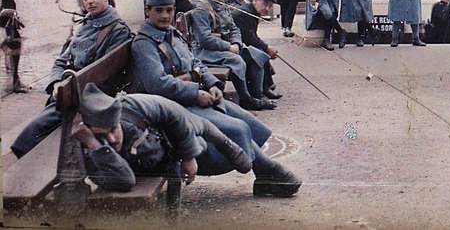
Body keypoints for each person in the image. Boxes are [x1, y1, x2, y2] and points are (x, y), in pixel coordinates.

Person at [127, 0, 300, 196]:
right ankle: (268, 172)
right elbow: (158, 84)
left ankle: (266, 172)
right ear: (147, 11)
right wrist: (194, 93)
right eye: (158, 10)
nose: (165, 16)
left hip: (187, 97)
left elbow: (195, 61)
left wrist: (211, 84)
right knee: (236, 128)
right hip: (169, 106)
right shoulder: (144, 44)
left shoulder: (171, 33)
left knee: (243, 117)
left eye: (169, 10)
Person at [74, 82, 300, 197]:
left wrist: (188, 156)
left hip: (169, 131)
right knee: (219, 132)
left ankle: (227, 144)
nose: (112, 138)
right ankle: (265, 169)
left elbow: (173, 111)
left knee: (216, 125)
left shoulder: (131, 108)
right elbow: (124, 182)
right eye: (102, 135)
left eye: (113, 129)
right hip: (160, 152)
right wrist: (96, 146)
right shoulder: (91, 147)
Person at [11, 0, 131, 158]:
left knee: (29, 138)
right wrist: (56, 83)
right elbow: (61, 60)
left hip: (87, 98)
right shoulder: (87, 24)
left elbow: (106, 77)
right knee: (30, 137)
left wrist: (67, 89)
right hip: (69, 91)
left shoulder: (116, 30)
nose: (89, 2)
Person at [190, 0, 273, 111]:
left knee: (258, 54)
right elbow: (205, 39)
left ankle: (259, 94)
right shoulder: (202, 10)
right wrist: (228, 47)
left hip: (224, 47)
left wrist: (236, 43)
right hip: (205, 51)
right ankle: (246, 99)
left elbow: (234, 29)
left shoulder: (222, 6)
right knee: (237, 61)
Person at [231, 0, 282, 100]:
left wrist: (266, 48)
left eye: (270, 6)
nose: (267, 9)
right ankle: (258, 93)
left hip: (242, 44)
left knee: (261, 50)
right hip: (233, 46)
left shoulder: (252, 12)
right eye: (265, 5)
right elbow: (249, 39)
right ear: (255, 1)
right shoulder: (244, 13)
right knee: (259, 54)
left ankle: (265, 88)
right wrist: (267, 48)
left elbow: (253, 37)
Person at [0, 0, 25, 93]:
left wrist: (10, 11)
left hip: (6, 12)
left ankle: (14, 80)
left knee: (15, 41)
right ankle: (14, 80)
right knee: (14, 41)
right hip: (4, 12)